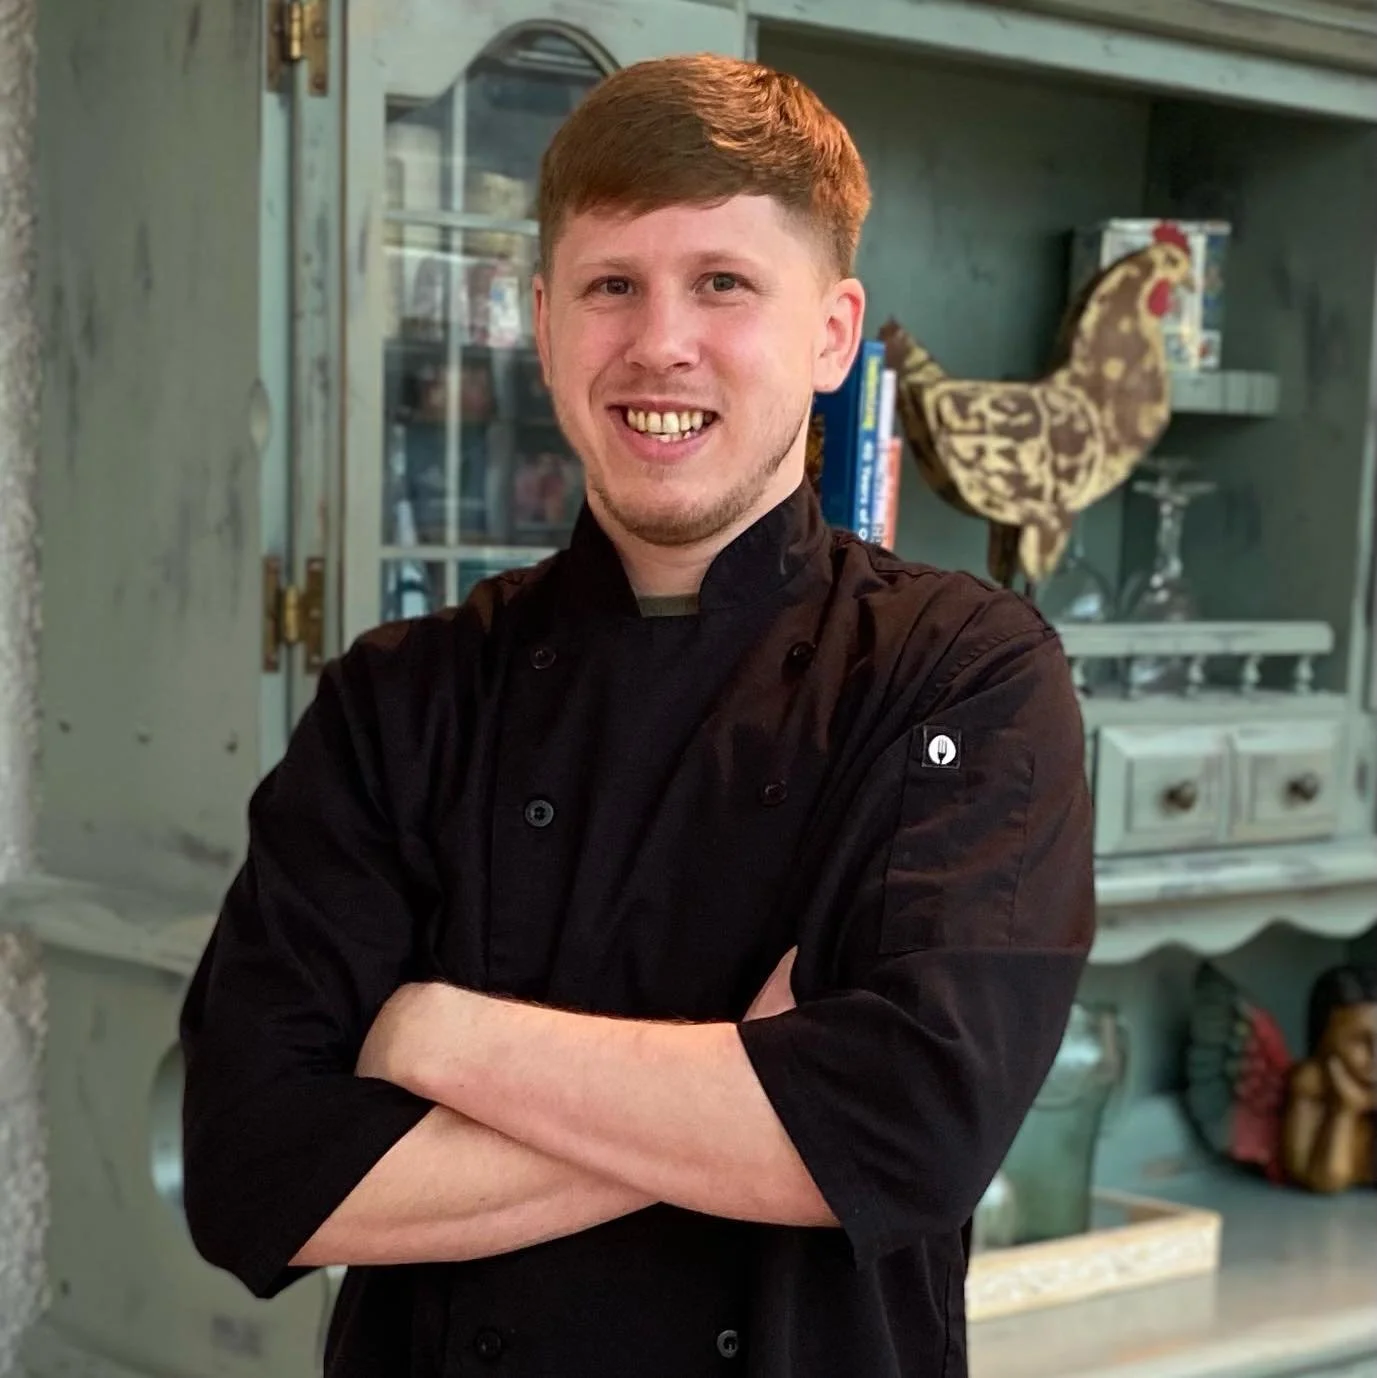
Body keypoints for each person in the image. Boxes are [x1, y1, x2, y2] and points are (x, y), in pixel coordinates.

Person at [179, 53, 1094, 1377]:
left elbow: (913, 1130)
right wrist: (755, 1089)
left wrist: (443, 1037)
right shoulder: (403, 695)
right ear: (541, 319)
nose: (660, 341)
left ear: (832, 331)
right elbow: (252, 1172)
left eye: (724, 283)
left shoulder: (961, 670)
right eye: (613, 285)